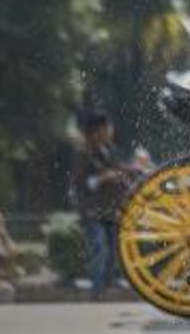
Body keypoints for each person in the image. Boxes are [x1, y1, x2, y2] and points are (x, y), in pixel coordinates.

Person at [73, 113, 129, 300]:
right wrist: (101, 178)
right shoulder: (84, 154)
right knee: (99, 247)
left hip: (111, 210)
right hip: (93, 211)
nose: (110, 132)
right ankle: (96, 290)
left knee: (113, 251)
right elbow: (82, 183)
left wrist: (124, 174)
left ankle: (105, 286)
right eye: (107, 128)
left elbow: (121, 172)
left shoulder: (112, 151)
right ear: (96, 132)